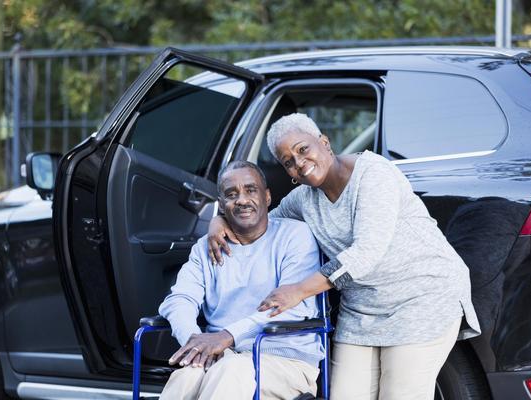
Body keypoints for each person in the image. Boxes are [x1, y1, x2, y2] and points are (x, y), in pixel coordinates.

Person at [207, 113, 481, 400]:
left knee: (399, 394)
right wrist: (221, 221)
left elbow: (366, 253)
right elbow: (263, 224)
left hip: (421, 297)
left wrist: (298, 291)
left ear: (324, 142)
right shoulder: (303, 199)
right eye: (288, 161)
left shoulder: (373, 174)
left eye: (303, 149)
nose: (299, 163)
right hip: (362, 310)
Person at [158, 160, 324, 400]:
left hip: (285, 360)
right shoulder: (205, 247)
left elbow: (290, 308)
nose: (242, 200)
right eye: (231, 194)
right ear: (222, 206)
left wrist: (226, 336)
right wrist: (195, 344)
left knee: (230, 371)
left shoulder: (295, 236)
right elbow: (179, 299)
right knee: (188, 375)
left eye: (250, 190)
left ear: (267, 197)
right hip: (225, 355)